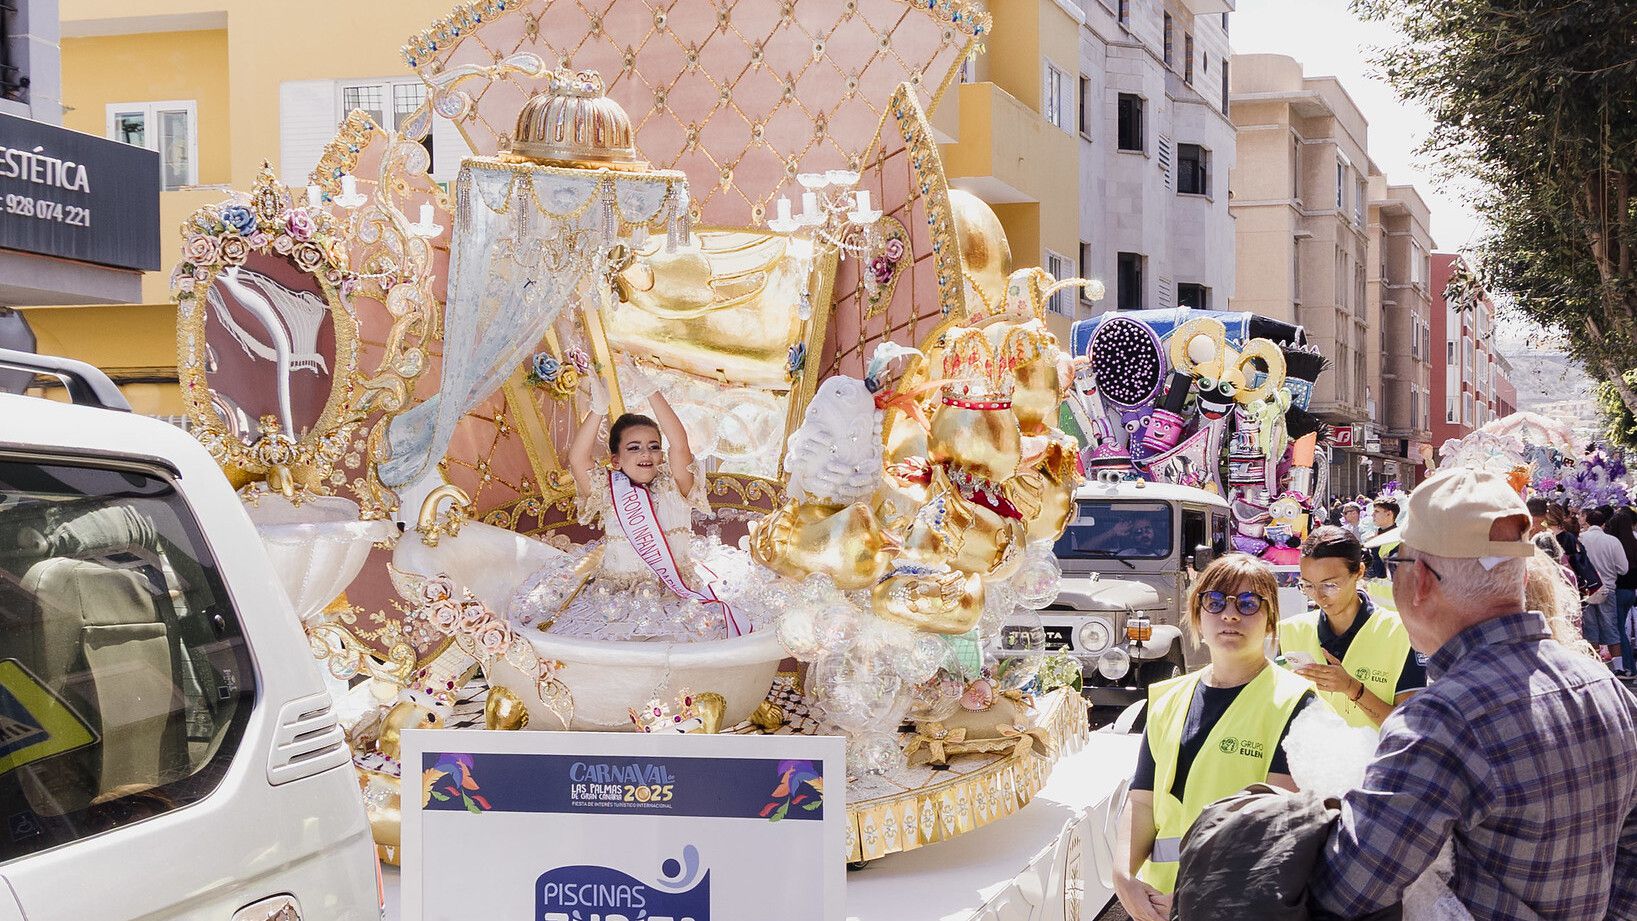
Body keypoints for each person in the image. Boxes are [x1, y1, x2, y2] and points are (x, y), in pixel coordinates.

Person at [1310, 467, 1637, 919]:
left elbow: (1347, 889)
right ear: (1521, 579)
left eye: (1396, 565)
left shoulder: (1441, 719)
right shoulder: (1604, 687)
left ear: (1420, 580)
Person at [1114, 554, 1320, 921]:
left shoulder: (1296, 703)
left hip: (1236, 908)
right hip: (1156, 904)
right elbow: (1143, 801)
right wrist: (1124, 878)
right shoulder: (1167, 697)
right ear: (1197, 614)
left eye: (1248, 603)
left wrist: (1198, 903)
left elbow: (1270, 832)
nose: (1230, 615)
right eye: (1215, 601)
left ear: (1271, 620)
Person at [509, 362, 778, 641]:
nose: (645, 454)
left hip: (674, 596)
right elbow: (578, 459)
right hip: (615, 598)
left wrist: (650, 391)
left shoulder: (676, 484)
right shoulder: (608, 488)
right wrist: (598, 411)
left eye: (653, 447)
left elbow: (680, 442)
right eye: (633, 448)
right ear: (616, 460)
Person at [1285, 526, 1424, 729]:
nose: (1318, 596)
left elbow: (1411, 728)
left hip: (1378, 760)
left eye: (1330, 585)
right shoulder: (1290, 631)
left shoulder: (1403, 634)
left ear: (1358, 571)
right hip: (1309, 760)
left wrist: (1353, 689)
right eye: (1307, 585)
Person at [1580, 506, 1630, 670]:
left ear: (1587, 521)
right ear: (1604, 523)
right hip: (1608, 589)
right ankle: (1619, 668)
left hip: (1586, 590)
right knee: (1611, 628)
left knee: (1590, 631)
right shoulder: (1612, 541)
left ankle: (1594, 667)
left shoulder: (1580, 538)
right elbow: (1623, 568)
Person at [1606, 506, 1637, 677]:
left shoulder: (1614, 543)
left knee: (1619, 630)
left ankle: (1629, 667)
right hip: (1631, 592)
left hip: (1618, 590)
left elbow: (1621, 569)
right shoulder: (1634, 542)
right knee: (1622, 629)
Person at [1363, 498, 1400, 579]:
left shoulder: (1398, 540)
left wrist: (1374, 546)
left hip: (1389, 591)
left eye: (1377, 511)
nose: (1373, 514)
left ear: (1389, 514)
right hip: (1372, 590)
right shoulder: (1372, 536)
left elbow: (1381, 573)